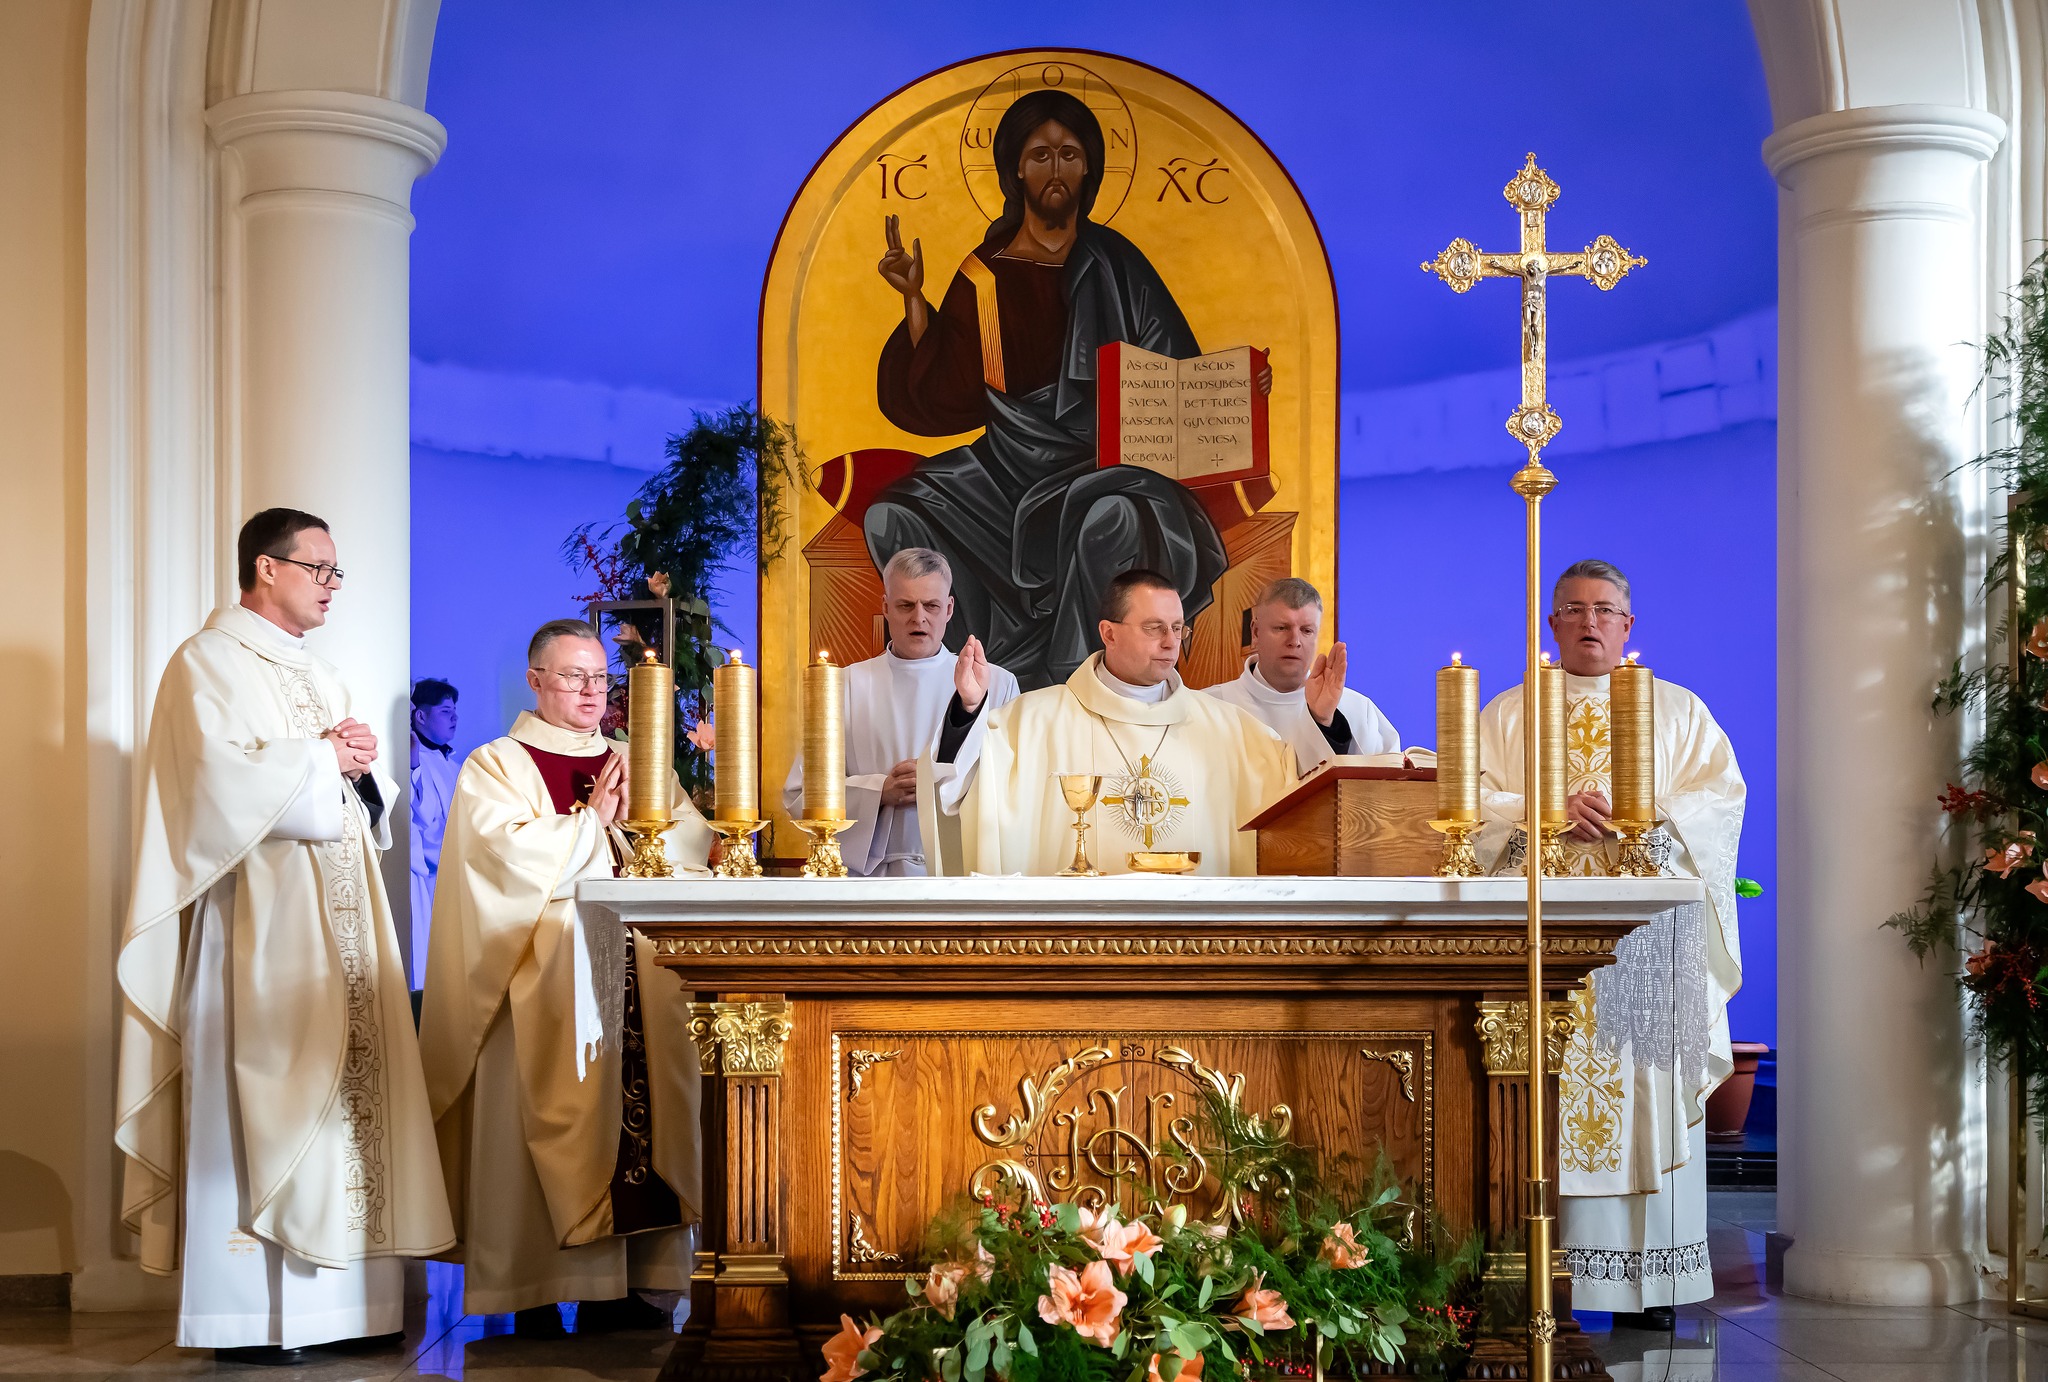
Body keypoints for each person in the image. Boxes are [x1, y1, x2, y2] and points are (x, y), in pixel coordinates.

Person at [115, 508, 453, 1357]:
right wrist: (319, 759)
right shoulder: (205, 662)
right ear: (266, 568)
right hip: (258, 922)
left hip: (342, 924)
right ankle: (254, 1319)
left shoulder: (323, 673)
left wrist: (361, 769)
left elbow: (356, 799)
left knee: (349, 1104)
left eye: (337, 574)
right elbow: (210, 785)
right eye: (319, 569)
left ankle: (354, 1309)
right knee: (263, 1094)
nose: (332, 587)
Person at [868, 89, 1269, 690]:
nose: (1055, 170)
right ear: (1016, 171)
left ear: (1089, 169)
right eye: (1040, 155)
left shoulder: (1118, 265)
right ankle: (980, 671)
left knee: (1113, 518)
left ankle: (1078, 686)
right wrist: (915, 300)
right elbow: (945, 394)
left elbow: (1178, 376)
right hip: (1006, 470)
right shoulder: (985, 272)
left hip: (1105, 466)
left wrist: (1238, 389)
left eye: (1069, 155)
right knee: (891, 514)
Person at [418, 619, 713, 1334]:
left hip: (639, 971)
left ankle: (638, 1287)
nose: (590, 691)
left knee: (649, 1113)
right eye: (573, 676)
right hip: (540, 979)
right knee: (535, 1117)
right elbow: (498, 863)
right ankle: (536, 1288)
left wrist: (634, 828)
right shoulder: (496, 764)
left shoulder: (636, 759)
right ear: (536, 681)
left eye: (599, 677)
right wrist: (591, 824)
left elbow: (687, 838)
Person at [1476, 559, 1744, 1329]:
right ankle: (1542, 1277)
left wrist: (1646, 813)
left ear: (1629, 625)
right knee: (1545, 1097)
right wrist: (1543, 810)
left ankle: (1647, 1286)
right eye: (1573, 609)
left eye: (1604, 610)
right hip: (1545, 941)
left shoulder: (1678, 711)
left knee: (1648, 1092)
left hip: (1647, 946)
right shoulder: (1508, 714)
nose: (1589, 622)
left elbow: (1720, 800)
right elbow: (1470, 803)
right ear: (1551, 624)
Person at [936, 568, 1295, 875]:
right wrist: (969, 707)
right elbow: (965, 783)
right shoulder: (1034, 721)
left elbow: (1293, 785)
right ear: (1109, 633)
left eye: (1177, 628)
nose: (1171, 643)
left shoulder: (1228, 729)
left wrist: (1321, 722)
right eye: (1154, 628)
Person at [781, 548, 1019, 876]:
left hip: (962, 875)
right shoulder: (843, 686)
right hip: (870, 880)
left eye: (931, 605)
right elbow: (800, 794)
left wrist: (938, 784)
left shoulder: (998, 685)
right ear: (885, 607)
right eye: (906, 605)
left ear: (949, 609)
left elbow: (1015, 791)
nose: (918, 618)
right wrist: (878, 792)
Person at [1204, 577, 1400, 772]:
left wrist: (1324, 722)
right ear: (1255, 633)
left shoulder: (1358, 710)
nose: (1295, 641)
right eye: (1282, 628)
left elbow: (1389, 786)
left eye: (1307, 631)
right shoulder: (1209, 707)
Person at [409, 677, 460, 989]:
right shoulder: (415, 761)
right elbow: (424, 821)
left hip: (454, 875)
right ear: (420, 715)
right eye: (445, 711)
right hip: (428, 877)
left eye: (455, 711)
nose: (454, 718)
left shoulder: (453, 764)